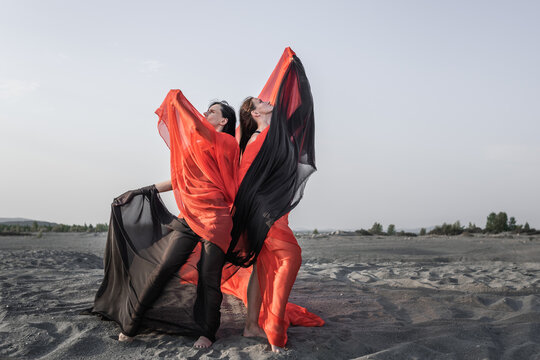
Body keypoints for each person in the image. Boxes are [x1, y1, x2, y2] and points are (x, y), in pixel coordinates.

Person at [91, 93, 239, 349]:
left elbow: (194, 124)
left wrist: (177, 100)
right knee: (162, 268)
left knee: (208, 277)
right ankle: (132, 324)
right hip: (189, 216)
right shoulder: (194, 145)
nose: (205, 114)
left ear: (224, 121)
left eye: (211, 112)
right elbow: (179, 178)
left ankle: (207, 332)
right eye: (204, 111)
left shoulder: (226, 142)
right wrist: (141, 191)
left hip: (216, 218)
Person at [223, 48, 322, 353]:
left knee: (263, 268)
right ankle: (274, 326)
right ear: (254, 114)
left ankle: (253, 325)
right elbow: (243, 181)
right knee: (291, 257)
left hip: (272, 212)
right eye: (260, 103)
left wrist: (293, 69)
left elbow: (300, 108)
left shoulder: (279, 134)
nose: (267, 102)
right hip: (263, 213)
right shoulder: (254, 140)